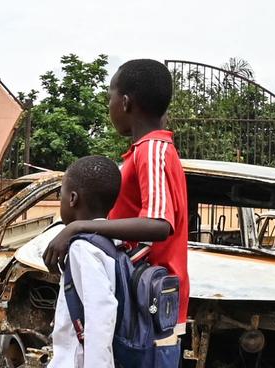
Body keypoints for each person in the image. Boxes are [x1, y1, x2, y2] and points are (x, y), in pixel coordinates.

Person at [44, 59, 188, 367]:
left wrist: (77, 227)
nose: (108, 103)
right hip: (141, 306)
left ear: (125, 102)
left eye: (110, 95)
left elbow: (160, 224)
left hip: (149, 311)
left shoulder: (154, 150)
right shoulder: (142, 152)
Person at [49, 155, 123, 368]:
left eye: (60, 195)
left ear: (72, 198)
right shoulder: (109, 241)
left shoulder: (83, 248)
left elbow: (100, 318)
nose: (60, 200)